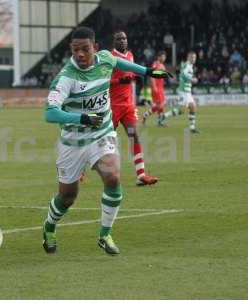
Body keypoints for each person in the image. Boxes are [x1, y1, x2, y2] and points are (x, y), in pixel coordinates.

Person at [42, 27, 170, 256]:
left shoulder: (105, 59)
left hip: (102, 135)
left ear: (96, 48)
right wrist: (81, 117)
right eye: (75, 50)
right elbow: (50, 114)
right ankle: (49, 226)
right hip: (72, 143)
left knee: (113, 178)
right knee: (67, 197)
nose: (80, 54)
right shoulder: (65, 78)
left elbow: (124, 65)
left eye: (85, 49)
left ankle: (104, 234)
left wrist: (149, 72)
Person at [109, 31, 158, 186]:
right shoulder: (109, 58)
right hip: (112, 106)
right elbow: (102, 81)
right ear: (114, 42)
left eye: (124, 38)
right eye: (119, 39)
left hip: (128, 106)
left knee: (134, 136)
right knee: (102, 140)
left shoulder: (130, 55)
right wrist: (119, 80)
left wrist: (134, 78)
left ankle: (141, 174)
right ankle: (79, 171)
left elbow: (133, 74)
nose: (122, 41)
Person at [142, 51, 168, 126]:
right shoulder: (156, 64)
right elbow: (152, 75)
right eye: (162, 56)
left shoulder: (162, 65)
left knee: (161, 105)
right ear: (159, 57)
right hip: (156, 88)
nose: (164, 58)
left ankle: (160, 122)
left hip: (161, 88)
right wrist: (154, 87)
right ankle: (145, 115)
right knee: (159, 105)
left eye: (164, 57)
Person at [176, 51, 199, 133]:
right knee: (181, 110)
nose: (193, 59)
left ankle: (192, 128)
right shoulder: (187, 65)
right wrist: (192, 79)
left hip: (187, 92)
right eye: (192, 57)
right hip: (184, 91)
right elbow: (183, 74)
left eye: (195, 57)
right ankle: (163, 116)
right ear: (188, 58)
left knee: (192, 107)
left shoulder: (190, 66)